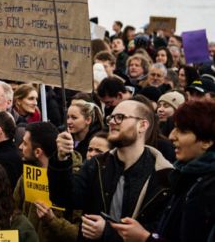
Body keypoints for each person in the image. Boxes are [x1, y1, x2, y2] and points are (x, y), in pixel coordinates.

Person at [49, 100, 173, 241]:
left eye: (120, 117)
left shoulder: (163, 175)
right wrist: (61, 159)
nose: (112, 122)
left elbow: (159, 231)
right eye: (111, 118)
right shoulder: (97, 164)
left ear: (142, 125)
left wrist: (108, 232)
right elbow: (63, 197)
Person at [108, 100, 215, 241]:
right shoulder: (184, 176)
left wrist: (144, 238)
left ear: (207, 142)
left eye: (182, 131)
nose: (171, 136)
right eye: (174, 128)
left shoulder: (209, 188)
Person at [13, 122, 80, 242]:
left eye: (25, 144)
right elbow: (14, 210)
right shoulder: (26, 176)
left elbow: (78, 234)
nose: (20, 147)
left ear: (38, 152)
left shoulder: (74, 180)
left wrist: (52, 220)